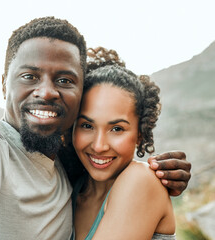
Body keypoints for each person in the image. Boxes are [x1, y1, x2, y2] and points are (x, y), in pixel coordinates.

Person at [0, 1, 191, 239]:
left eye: (65, 80)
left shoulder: (68, 173)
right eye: (29, 75)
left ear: (80, 94)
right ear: (3, 84)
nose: (47, 92)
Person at [65, 47, 175, 239]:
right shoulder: (71, 191)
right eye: (87, 125)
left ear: (140, 133)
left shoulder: (141, 181)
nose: (99, 146)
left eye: (116, 129)